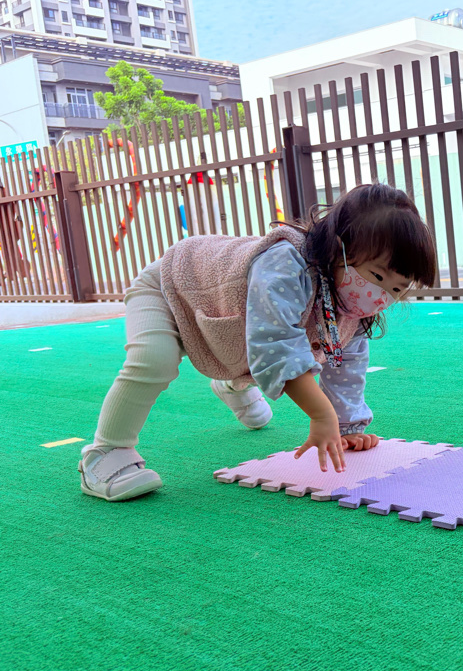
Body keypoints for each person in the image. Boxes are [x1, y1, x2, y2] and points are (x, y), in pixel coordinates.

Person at [79, 183, 437, 502]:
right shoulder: (287, 261)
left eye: (396, 288)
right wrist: (320, 413)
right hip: (172, 287)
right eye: (376, 275)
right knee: (154, 359)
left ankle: (232, 384)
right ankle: (106, 453)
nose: (379, 295)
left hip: (229, 326)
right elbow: (276, 343)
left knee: (255, 345)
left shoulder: (352, 306)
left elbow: (345, 363)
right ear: (340, 248)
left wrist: (346, 427)